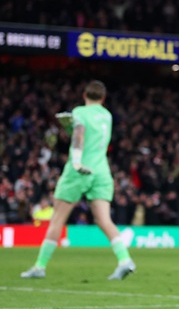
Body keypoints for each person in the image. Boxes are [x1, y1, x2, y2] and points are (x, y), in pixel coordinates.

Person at [21, 80, 136, 280]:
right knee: (104, 219)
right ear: (103, 98)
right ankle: (125, 259)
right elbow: (90, 138)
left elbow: (79, 138)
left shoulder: (80, 112)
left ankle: (40, 266)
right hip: (101, 171)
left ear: (84, 95)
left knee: (57, 219)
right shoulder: (107, 116)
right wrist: (70, 128)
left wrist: (75, 162)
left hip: (80, 169)